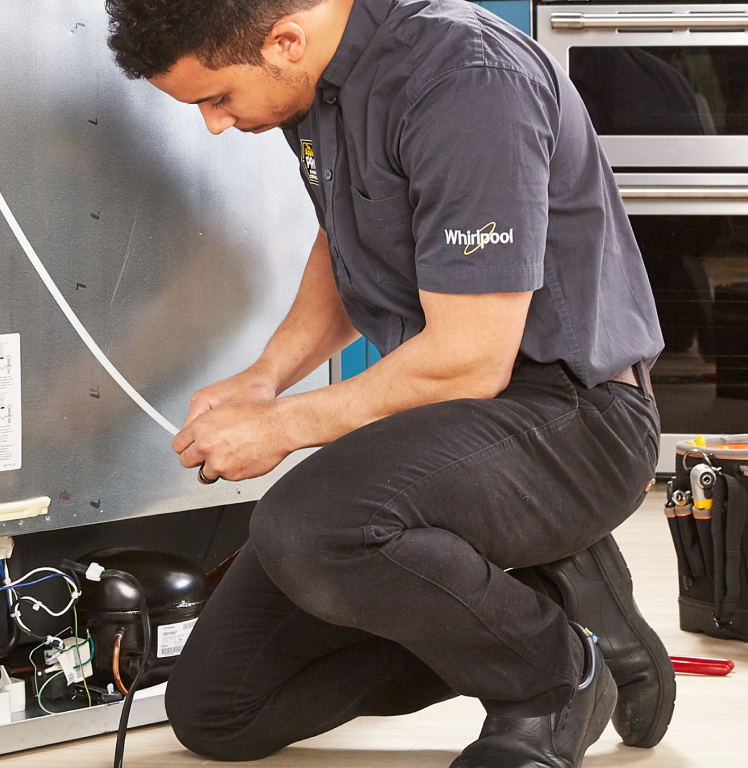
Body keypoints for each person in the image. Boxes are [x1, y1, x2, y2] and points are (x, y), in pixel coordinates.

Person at [103, 1, 671, 765]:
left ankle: (553, 678)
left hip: (575, 416)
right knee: (218, 710)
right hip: (451, 422)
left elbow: (472, 357)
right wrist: (266, 377)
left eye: (217, 98)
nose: (213, 123)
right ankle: (560, 595)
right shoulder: (315, 83)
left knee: (311, 525)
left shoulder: (468, 80)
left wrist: (282, 426)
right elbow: (348, 236)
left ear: (284, 41)